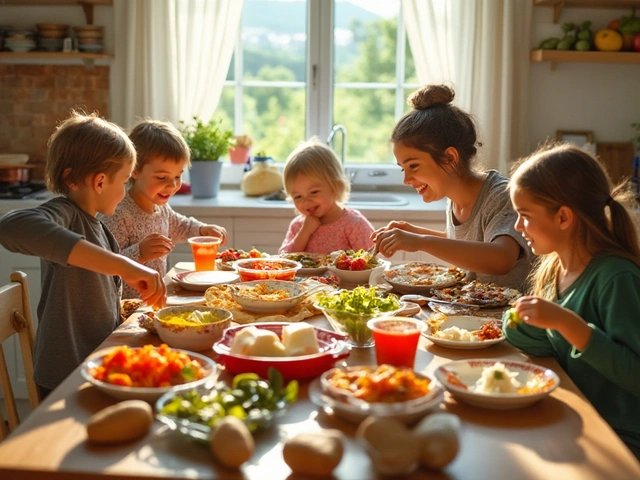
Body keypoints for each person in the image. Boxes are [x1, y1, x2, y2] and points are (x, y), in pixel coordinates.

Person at [0, 111, 166, 399]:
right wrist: (124, 266)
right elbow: (11, 227)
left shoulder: (100, 226)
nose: (125, 190)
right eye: (124, 181)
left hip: (94, 363)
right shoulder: (65, 213)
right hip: (65, 374)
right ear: (100, 182)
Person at [504, 142, 640, 460]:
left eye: (524, 215)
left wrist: (565, 322)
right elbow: (550, 348)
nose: (517, 226)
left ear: (564, 217)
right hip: (569, 417)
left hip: (620, 436)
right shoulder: (554, 268)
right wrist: (518, 323)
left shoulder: (617, 278)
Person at [372, 84, 532, 290]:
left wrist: (421, 241)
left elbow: (501, 259)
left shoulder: (501, 195)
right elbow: (470, 242)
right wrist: (415, 232)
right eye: (403, 168)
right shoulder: (455, 199)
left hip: (511, 318)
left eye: (414, 166)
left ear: (449, 158)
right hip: (473, 313)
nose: (407, 179)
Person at [99, 120, 227, 299]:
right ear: (134, 170)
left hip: (153, 301)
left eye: (178, 176)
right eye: (161, 177)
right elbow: (104, 266)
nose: (172, 185)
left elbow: (180, 226)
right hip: (126, 309)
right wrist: (140, 253)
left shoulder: (162, 209)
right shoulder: (118, 214)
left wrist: (202, 229)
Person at [278, 138, 375, 254]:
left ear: (335, 187)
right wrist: (304, 233)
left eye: (314, 192)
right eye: (298, 197)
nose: (306, 201)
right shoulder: (298, 226)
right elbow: (283, 259)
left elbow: (371, 261)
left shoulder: (353, 224)